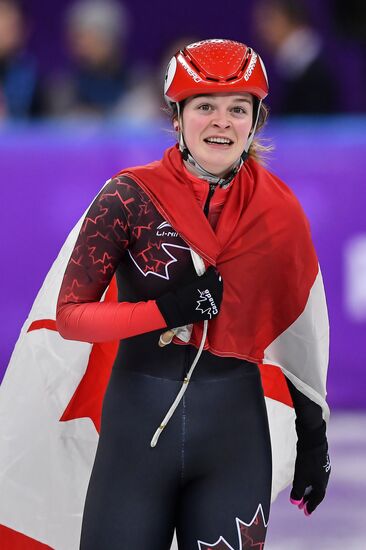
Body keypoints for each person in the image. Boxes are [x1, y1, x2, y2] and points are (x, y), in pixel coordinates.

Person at [55, 39, 331, 549]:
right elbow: (71, 316)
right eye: (205, 106)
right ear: (177, 118)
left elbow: (301, 331)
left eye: (237, 109)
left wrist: (313, 436)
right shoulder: (128, 198)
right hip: (137, 434)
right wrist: (170, 309)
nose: (222, 122)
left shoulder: (279, 212)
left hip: (234, 440)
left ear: (256, 121)